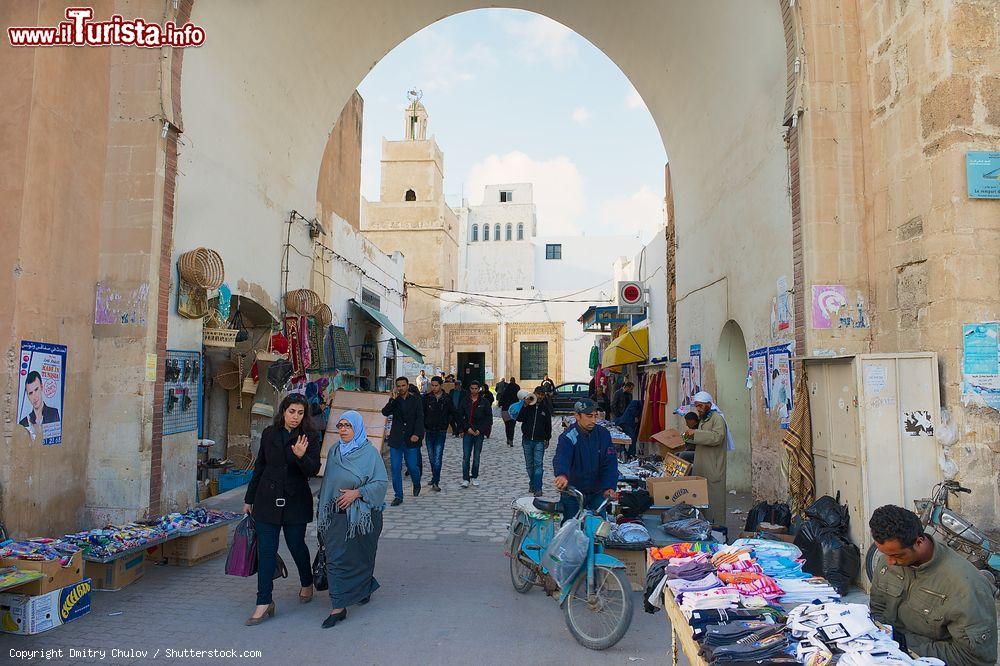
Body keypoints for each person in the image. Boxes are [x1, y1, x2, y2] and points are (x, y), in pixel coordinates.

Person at [868, 505, 997, 665]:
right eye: (885, 554)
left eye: (896, 555)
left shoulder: (965, 586)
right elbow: (877, 610)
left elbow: (974, 658)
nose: (890, 562)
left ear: (919, 542)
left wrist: (902, 647)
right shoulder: (889, 560)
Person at [243, 393, 321, 625]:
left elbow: (313, 470)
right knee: (266, 552)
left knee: (296, 545)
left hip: (295, 501)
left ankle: (306, 581)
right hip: (267, 500)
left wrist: (300, 456)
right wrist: (249, 499)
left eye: (300, 413)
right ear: (283, 412)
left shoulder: (311, 436)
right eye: (291, 412)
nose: (295, 417)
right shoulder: (269, 434)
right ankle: (264, 601)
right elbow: (260, 467)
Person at [314, 411, 387, 629]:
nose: (343, 430)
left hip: (364, 517)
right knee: (336, 559)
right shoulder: (335, 450)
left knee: (362, 557)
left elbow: (381, 484)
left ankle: (364, 588)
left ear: (357, 429)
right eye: (341, 425)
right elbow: (327, 482)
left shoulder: (370, 454)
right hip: (336, 516)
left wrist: (357, 493)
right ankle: (338, 608)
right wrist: (323, 510)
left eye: (348, 426)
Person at [552, 398, 618, 524]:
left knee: (598, 530)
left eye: (595, 416)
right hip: (573, 493)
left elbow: (610, 462)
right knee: (570, 529)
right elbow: (562, 457)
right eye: (589, 416)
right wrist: (562, 475)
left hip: (597, 492)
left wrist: (609, 486)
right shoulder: (568, 436)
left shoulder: (603, 434)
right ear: (577, 416)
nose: (593, 420)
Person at [680, 391, 732, 524]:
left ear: (709, 404)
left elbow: (717, 437)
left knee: (714, 501)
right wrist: (687, 436)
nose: (698, 409)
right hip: (702, 464)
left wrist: (695, 433)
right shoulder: (704, 419)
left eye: (700, 406)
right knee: (702, 499)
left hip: (713, 466)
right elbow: (701, 439)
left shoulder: (717, 419)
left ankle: (717, 529)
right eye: (697, 406)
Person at [381, 377, 424, 506]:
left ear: (407, 385)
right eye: (398, 386)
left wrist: (417, 434)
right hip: (396, 440)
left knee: (412, 467)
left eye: (403, 385)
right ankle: (398, 496)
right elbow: (385, 412)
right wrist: (392, 400)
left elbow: (420, 418)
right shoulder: (395, 400)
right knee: (395, 468)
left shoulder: (416, 400)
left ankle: (416, 483)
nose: (401, 388)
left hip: (411, 439)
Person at [513, 386, 552, 496]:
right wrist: (525, 405)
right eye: (538, 394)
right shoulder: (528, 406)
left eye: (542, 394)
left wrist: (547, 438)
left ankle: (538, 488)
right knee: (529, 465)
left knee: (538, 465)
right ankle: (533, 483)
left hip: (539, 440)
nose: (540, 396)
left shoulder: (545, 408)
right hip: (527, 439)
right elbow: (519, 419)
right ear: (534, 393)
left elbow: (548, 425)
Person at [457, 380, 492, 488]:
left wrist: (481, 430)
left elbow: (488, 418)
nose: (474, 390)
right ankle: (465, 478)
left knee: (476, 456)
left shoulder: (484, 402)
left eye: (476, 388)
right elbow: (459, 416)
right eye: (472, 388)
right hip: (468, 432)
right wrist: (464, 429)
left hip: (478, 433)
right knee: (466, 456)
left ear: (479, 389)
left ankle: (475, 476)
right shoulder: (465, 401)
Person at [422, 376, 452, 491]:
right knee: (431, 456)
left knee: (438, 457)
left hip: (441, 431)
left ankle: (436, 481)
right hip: (429, 431)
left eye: (436, 385)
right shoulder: (427, 398)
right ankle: (434, 477)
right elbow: (422, 413)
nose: (434, 388)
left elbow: (452, 412)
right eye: (432, 385)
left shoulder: (447, 398)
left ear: (441, 385)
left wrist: (447, 423)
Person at [18, 370, 61, 438]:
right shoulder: (23, 423)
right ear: (27, 396)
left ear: (41, 387)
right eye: (30, 393)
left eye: (36, 389)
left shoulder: (54, 413)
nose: (34, 397)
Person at [498, 376, 521, 447]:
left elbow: (501, 401)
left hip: (505, 410)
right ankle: (511, 439)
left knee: (507, 425)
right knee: (512, 425)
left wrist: (500, 404)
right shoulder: (517, 389)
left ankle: (508, 438)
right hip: (514, 410)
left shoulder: (506, 390)